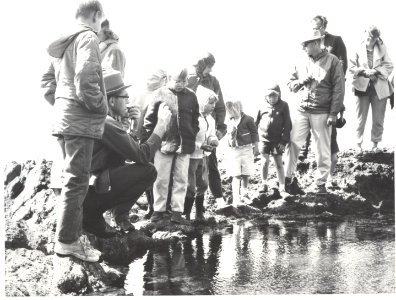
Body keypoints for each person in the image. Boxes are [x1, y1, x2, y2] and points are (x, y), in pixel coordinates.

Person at [41, 0, 107, 263]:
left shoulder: (63, 42)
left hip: (64, 118)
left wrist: (61, 104)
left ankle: (67, 236)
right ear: (97, 15)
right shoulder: (88, 37)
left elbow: (47, 82)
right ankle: (68, 242)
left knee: (72, 180)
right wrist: (100, 107)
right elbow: (86, 77)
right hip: (80, 120)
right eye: (102, 19)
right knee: (77, 181)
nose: (101, 24)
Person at [82, 69, 172, 237]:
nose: (129, 101)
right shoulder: (106, 123)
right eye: (125, 97)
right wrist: (160, 126)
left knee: (139, 168)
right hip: (89, 196)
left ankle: (116, 217)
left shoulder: (100, 118)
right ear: (113, 100)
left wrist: (134, 124)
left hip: (86, 191)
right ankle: (109, 215)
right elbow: (143, 156)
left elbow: (127, 152)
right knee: (148, 171)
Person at [285, 29, 345, 194]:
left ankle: (320, 184)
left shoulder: (333, 61)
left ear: (317, 43)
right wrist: (299, 82)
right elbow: (290, 84)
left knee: (322, 148)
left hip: (323, 112)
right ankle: (287, 178)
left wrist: (333, 113)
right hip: (302, 110)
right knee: (293, 143)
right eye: (303, 45)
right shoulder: (300, 61)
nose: (304, 48)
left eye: (306, 44)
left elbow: (339, 90)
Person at [142, 67, 200, 224]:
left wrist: (191, 134)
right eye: (177, 81)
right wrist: (155, 139)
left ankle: (177, 212)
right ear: (169, 79)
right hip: (163, 144)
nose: (180, 84)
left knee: (181, 178)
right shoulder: (159, 94)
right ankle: (158, 210)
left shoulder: (191, 96)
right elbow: (149, 121)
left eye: (183, 81)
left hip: (185, 145)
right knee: (161, 178)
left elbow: (195, 120)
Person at [300, 15, 348, 161]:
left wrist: (334, 81)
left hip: (330, 88)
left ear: (323, 27)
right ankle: (304, 149)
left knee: (329, 125)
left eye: (315, 28)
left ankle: (331, 156)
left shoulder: (335, 40)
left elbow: (342, 63)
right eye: (312, 28)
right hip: (310, 88)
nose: (313, 30)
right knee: (306, 115)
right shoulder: (308, 41)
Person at [187, 52, 227, 208]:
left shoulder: (213, 81)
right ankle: (184, 208)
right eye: (208, 67)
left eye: (211, 67)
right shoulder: (189, 80)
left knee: (211, 165)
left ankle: (218, 199)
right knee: (188, 171)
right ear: (200, 65)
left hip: (209, 129)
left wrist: (219, 128)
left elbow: (221, 106)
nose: (210, 70)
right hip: (192, 131)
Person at [349, 25, 393, 151]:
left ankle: (375, 144)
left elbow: (389, 66)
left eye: (373, 37)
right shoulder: (356, 48)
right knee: (360, 118)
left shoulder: (383, 49)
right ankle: (358, 144)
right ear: (364, 34)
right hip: (361, 87)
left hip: (379, 88)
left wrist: (375, 72)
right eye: (368, 35)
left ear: (377, 38)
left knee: (378, 118)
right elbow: (351, 68)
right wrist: (364, 72)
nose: (370, 38)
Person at [183, 86, 219, 221]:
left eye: (214, 103)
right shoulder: (194, 117)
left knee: (203, 183)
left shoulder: (211, 119)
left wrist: (213, 140)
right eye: (210, 103)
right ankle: (186, 214)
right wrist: (200, 145)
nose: (213, 106)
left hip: (204, 156)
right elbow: (188, 137)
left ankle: (199, 213)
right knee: (190, 185)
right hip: (191, 156)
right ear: (201, 102)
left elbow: (211, 134)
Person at [255, 83, 292, 198]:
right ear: (266, 96)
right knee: (264, 162)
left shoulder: (284, 106)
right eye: (270, 96)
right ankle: (264, 184)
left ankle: (282, 187)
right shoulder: (261, 106)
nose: (272, 98)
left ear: (279, 95)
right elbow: (255, 124)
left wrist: (283, 141)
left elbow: (288, 125)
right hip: (264, 140)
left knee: (279, 164)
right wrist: (254, 141)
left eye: (275, 96)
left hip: (277, 141)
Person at [225, 101, 259, 206]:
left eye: (234, 109)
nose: (232, 112)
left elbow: (254, 133)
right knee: (236, 174)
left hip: (247, 148)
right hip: (234, 150)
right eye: (230, 110)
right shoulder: (229, 120)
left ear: (240, 108)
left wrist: (256, 147)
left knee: (246, 172)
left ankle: (244, 194)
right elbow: (227, 134)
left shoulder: (248, 119)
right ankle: (236, 198)